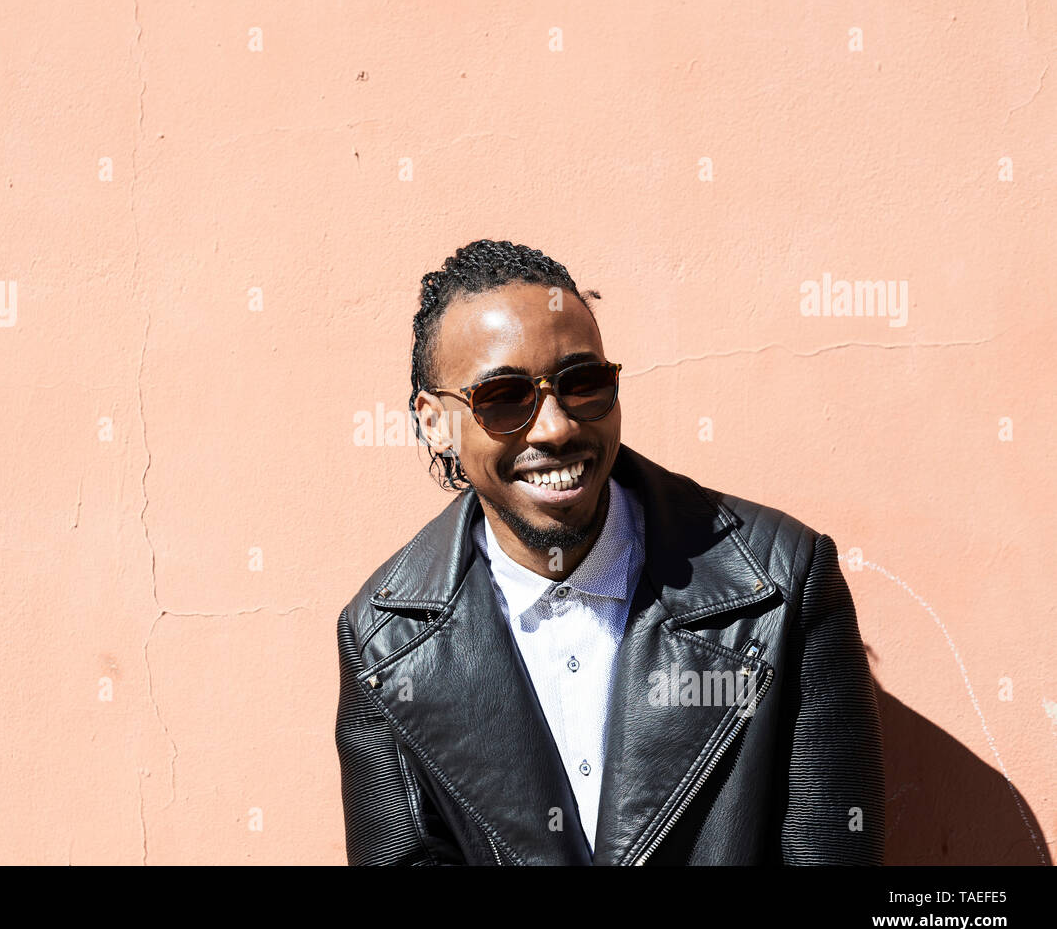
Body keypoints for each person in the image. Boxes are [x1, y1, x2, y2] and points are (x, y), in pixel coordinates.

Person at [334, 239, 885, 864]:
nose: (556, 426)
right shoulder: (381, 642)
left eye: (582, 383)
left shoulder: (784, 582)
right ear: (434, 422)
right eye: (504, 398)